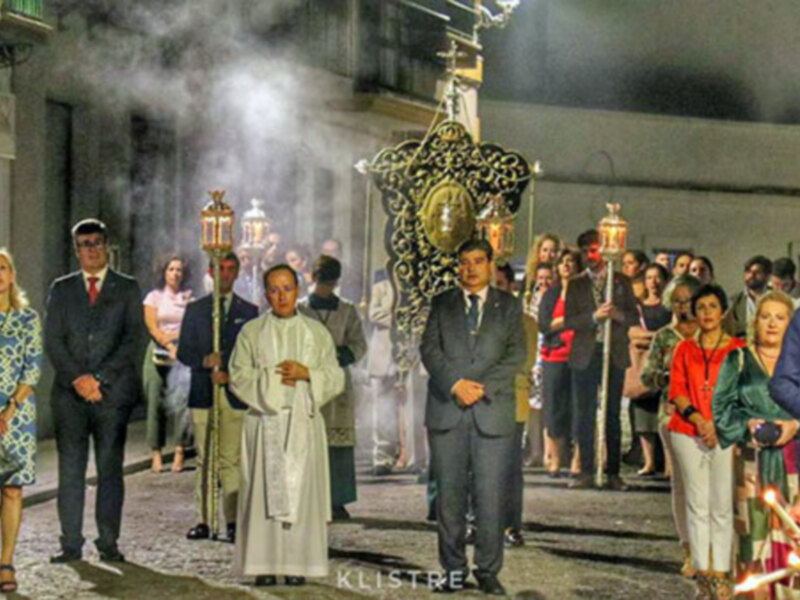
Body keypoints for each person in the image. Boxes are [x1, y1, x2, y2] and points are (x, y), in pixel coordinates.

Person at [421, 238, 526, 595]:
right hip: (448, 410)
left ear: (491, 264)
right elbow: (429, 350)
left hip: (491, 410)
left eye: (478, 261)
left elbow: (516, 355)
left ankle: (488, 570)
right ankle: (452, 569)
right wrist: (455, 384)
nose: (470, 268)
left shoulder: (509, 307)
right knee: (449, 495)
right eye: (464, 262)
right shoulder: (443, 304)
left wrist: (479, 387)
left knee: (491, 494)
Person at [229, 264, 345, 586]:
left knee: (301, 493)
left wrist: (307, 374)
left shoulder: (315, 332)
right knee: (263, 495)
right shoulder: (251, 332)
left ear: (297, 290)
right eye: (274, 289)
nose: (281, 296)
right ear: (266, 294)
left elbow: (336, 376)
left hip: (302, 424)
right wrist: (274, 382)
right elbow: (238, 376)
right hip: (265, 421)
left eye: (287, 289)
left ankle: (297, 564)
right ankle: (263, 564)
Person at [44, 218, 143, 563]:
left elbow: (132, 340)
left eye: (96, 243)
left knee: (109, 469)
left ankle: (108, 541)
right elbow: (53, 340)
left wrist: (99, 379)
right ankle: (70, 543)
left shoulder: (127, 288)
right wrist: (79, 380)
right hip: (69, 396)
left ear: (106, 246)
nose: (91, 250)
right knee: (70, 470)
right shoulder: (62, 288)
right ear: (76, 250)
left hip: (111, 396)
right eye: (84, 245)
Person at [714, 291, 799, 597]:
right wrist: (746, 426)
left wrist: (794, 426)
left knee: (793, 540)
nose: (772, 324)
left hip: (795, 462)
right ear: (755, 322)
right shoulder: (737, 361)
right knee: (752, 539)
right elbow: (721, 411)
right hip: (750, 464)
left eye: (780, 317)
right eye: (765, 317)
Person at [667, 284, 746, 599]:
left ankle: (722, 575)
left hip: (724, 432)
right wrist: (700, 420)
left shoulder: (739, 350)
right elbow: (677, 389)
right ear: (693, 312)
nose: (707, 314)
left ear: (723, 311)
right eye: (701, 308)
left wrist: (717, 424)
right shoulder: (684, 349)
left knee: (722, 506)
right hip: (688, 430)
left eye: (713, 307)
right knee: (697, 504)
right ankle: (702, 574)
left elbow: (743, 393)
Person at [178, 252, 258, 543]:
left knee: (230, 460)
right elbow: (183, 351)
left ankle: (233, 520)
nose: (224, 274)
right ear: (210, 272)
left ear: (236, 273)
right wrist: (204, 360)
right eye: (219, 269)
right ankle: (203, 519)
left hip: (233, 395)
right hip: (203, 393)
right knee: (205, 459)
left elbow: (253, 356)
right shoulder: (196, 310)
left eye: (230, 269)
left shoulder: (249, 312)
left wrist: (230, 372)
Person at [565, 229, 639, 490]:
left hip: (613, 353)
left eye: (594, 250)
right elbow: (569, 320)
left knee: (611, 416)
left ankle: (613, 472)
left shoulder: (620, 282)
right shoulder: (575, 284)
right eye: (585, 251)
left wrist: (618, 315)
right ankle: (585, 469)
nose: (589, 256)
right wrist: (593, 318)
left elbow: (633, 316)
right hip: (585, 354)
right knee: (584, 414)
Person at [298, 255, 367, 520]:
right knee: (308, 441)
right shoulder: (301, 309)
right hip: (308, 380)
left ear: (336, 282)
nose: (325, 288)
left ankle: (337, 499)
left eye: (330, 283)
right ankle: (307, 495)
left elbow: (360, 344)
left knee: (338, 443)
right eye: (322, 282)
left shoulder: (347, 311)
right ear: (313, 279)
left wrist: (339, 355)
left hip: (337, 383)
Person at [640, 274, 700, 578]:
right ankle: (688, 548)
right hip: (673, 415)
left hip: (710, 417)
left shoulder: (711, 332)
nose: (681, 306)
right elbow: (646, 376)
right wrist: (667, 377)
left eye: (687, 300)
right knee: (683, 483)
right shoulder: (665, 336)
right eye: (676, 301)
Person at [0, 249, 42, 593]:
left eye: (2, 268)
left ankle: (7, 562)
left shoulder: (27, 318)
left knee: (12, 489)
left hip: (17, 413)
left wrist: (10, 408)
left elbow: (34, 367)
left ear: (11, 275)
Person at [142, 254, 193, 474]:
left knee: (182, 400)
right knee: (155, 400)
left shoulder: (189, 297)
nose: (175, 273)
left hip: (183, 351)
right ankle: (156, 453)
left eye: (179, 269)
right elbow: (152, 326)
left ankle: (180, 450)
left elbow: (192, 323)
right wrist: (167, 342)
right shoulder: (153, 297)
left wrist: (177, 343)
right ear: (164, 272)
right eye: (171, 269)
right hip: (157, 351)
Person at [495, 263, 532, 548]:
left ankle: (510, 524)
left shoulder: (526, 323)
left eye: (500, 284)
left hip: (511, 401)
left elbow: (523, 362)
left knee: (508, 468)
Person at [539, 249, 581, 477]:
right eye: (563, 262)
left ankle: (577, 459)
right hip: (554, 356)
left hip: (578, 357)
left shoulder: (585, 294)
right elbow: (544, 324)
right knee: (554, 408)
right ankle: (554, 458)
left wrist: (562, 322)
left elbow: (587, 321)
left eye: (571, 262)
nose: (567, 266)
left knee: (577, 408)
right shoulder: (551, 294)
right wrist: (568, 321)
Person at [629, 263, 671, 476]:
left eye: (657, 277)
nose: (653, 282)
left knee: (666, 413)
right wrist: (656, 337)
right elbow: (634, 332)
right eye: (649, 277)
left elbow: (674, 331)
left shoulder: (670, 306)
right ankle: (649, 461)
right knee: (644, 413)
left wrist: (656, 338)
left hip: (667, 363)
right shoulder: (639, 308)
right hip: (645, 364)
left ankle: (669, 464)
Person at [366, 270, 401, 475]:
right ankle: (383, 455)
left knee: (412, 406)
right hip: (384, 351)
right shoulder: (381, 288)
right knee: (382, 407)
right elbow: (374, 313)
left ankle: (413, 455)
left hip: (409, 351)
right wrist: (400, 317)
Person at [525, 262, 555, 467]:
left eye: (548, 278)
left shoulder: (557, 299)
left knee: (550, 407)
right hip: (533, 354)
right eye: (541, 278)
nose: (544, 282)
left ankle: (549, 452)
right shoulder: (528, 300)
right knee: (533, 408)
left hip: (551, 352)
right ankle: (535, 451)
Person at [724, 255, 772, 339]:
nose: (752, 275)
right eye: (748, 272)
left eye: (757, 272)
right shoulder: (735, 301)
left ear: (767, 276)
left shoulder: (777, 299)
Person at [522, 233, 561, 311]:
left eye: (552, 251)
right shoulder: (529, 277)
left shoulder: (560, 276)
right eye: (545, 250)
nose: (548, 255)